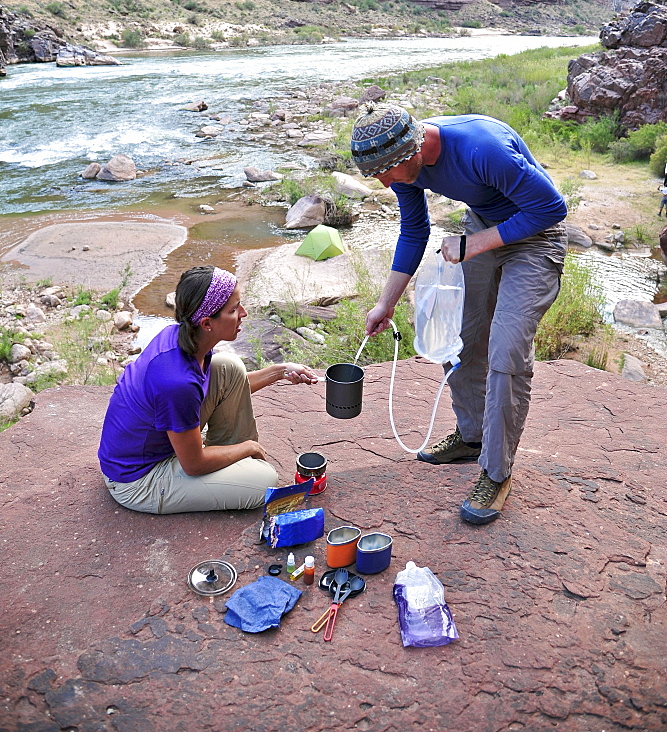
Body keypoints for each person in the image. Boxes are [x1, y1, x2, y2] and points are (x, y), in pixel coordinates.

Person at [350, 104, 568, 525]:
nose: (385, 181)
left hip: (537, 237)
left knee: (506, 351)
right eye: (377, 175)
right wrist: (386, 302)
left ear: (415, 148)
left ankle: (496, 471)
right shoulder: (400, 163)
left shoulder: (482, 147)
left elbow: (551, 209)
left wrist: (475, 245)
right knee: (456, 336)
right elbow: (414, 231)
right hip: (484, 226)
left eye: (388, 172)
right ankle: (472, 437)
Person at [98, 265, 317, 514]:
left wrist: (280, 371)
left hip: (162, 446)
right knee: (264, 480)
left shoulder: (182, 336)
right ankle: (235, 463)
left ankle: (229, 461)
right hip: (138, 479)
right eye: (233, 310)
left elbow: (232, 386)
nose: (243, 313)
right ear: (207, 323)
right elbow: (193, 464)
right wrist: (249, 447)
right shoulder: (177, 383)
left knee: (229, 367)